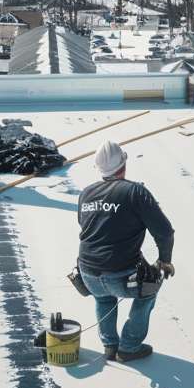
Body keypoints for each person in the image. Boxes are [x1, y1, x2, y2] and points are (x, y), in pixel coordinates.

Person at [76, 141, 175, 363]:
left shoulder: (86, 193)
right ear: (123, 164)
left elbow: (86, 228)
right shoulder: (135, 192)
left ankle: (110, 345)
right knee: (149, 290)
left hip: (87, 273)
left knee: (103, 299)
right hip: (119, 275)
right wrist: (165, 261)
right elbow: (165, 232)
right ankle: (129, 347)